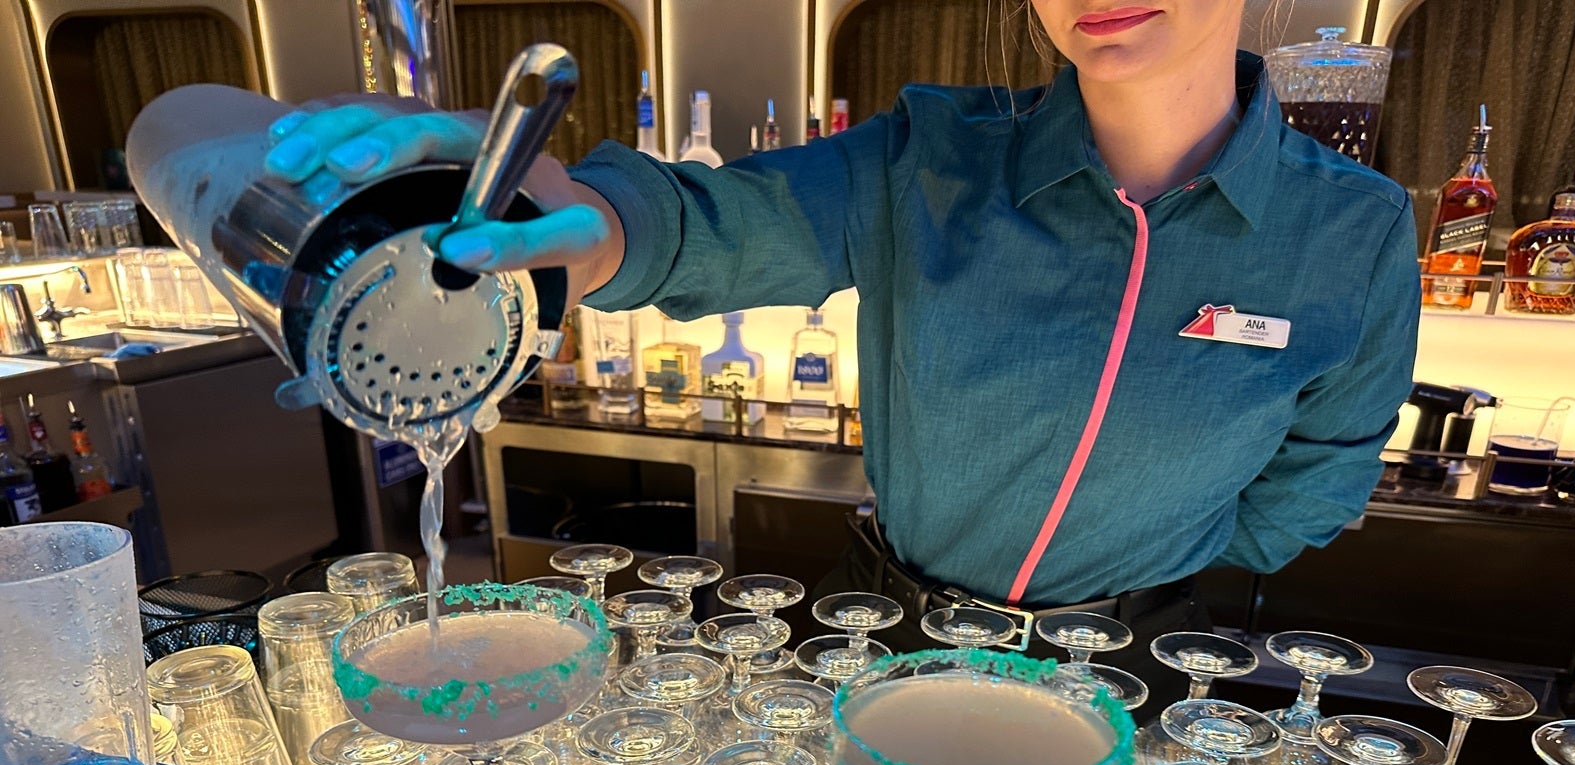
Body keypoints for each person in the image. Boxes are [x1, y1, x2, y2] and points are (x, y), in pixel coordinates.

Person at [264, 1, 1420, 717]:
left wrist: (1151, 574)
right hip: (893, 636)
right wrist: (551, 206)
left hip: (1137, 666)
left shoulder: (1351, 232)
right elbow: (711, 221)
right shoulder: (934, 158)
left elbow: (1314, 481)